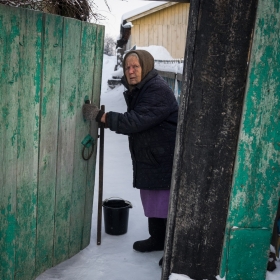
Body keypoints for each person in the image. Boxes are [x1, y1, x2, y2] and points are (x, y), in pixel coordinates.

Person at [83, 50, 178, 266]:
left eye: (136, 66)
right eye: (127, 67)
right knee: (154, 198)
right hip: (153, 156)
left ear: (146, 66)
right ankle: (157, 239)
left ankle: (174, 249)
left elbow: (135, 121)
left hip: (164, 156)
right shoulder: (141, 88)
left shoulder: (157, 90)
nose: (131, 71)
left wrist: (102, 117)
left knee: (167, 203)